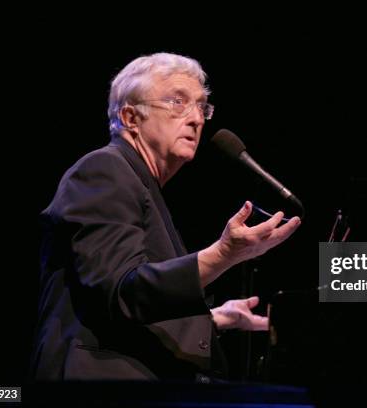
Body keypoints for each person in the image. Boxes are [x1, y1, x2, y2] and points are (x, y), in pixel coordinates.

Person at [30, 52, 301, 381]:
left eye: (202, 107)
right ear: (131, 117)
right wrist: (224, 254)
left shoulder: (141, 184)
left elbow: (131, 309)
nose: (196, 119)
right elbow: (123, 291)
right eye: (177, 101)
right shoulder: (104, 170)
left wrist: (212, 318)